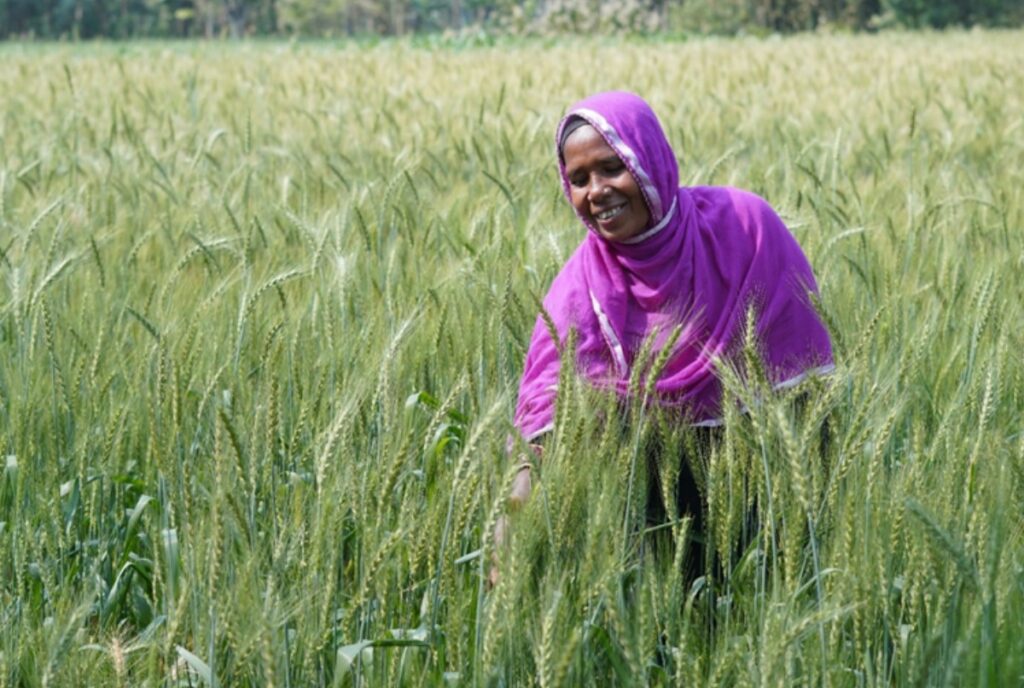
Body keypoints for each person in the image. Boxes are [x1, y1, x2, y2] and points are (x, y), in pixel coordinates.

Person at [489, 91, 834, 587]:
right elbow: (543, 421)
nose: (596, 191)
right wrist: (510, 532)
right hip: (650, 546)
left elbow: (807, 381)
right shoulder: (577, 292)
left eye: (612, 168)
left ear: (649, 158)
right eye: (579, 179)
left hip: (768, 518)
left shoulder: (745, 230)